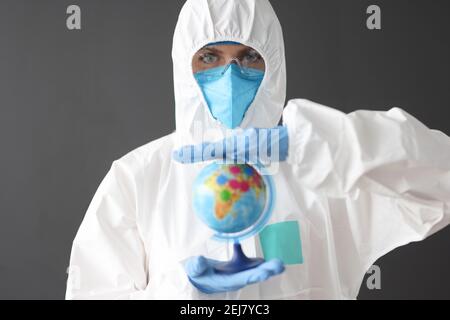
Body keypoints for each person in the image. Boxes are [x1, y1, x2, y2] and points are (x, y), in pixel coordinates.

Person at [66, 0, 450, 300]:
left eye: (249, 57)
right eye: (210, 57)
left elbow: (441, 182)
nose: (230, 75)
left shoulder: (324, 167)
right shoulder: (138, 178)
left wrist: (325, 146)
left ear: (275, 64)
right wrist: (184, 293)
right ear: (184, 66)